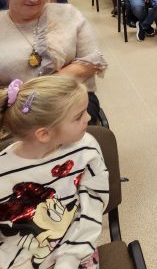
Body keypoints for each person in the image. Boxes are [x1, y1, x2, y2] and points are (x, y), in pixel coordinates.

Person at [0, 75, 109, 269]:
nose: (89, 118)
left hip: (76, 251)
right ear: (44, 134)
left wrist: (69, 260)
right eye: (79, 116)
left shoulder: (86, 150)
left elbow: (92, 208)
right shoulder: (3, 172)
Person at [0, 0, 107, 122]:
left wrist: (39, 90)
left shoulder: (68, 14)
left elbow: (92, 62)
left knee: (61, 127)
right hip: (13, 107)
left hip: (71, 97)